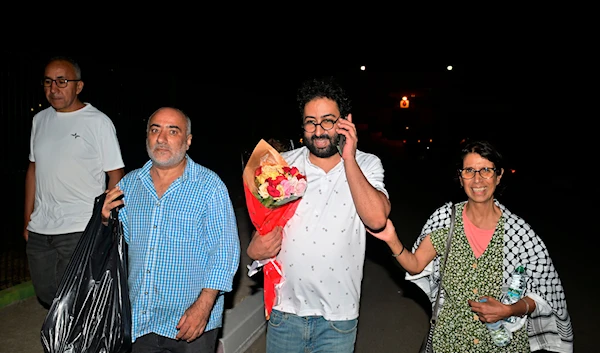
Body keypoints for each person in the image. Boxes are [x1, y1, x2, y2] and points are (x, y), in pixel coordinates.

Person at [368, 139, 573, 353]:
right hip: (450, 341)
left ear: (499, 175)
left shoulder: (520, 234)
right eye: (469, 171)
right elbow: (416, 265)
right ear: (460, 176)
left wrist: (509, 309)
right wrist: (391, 239)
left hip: (502, 345)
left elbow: (541, 296)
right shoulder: (445, 219)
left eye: (486, 170)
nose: (477, 179)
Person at [246, 76, 391, 353]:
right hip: (284, 310)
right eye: (311, 121)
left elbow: (376, 218)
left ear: (344, 122)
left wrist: (349, 158)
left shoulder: (367, 164)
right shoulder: (283, 165)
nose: (319, 130)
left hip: (338, 316)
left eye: (328, 120)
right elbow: (265, 225)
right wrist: (255, 250)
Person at [101, 107, 241, 352]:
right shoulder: (130, 184)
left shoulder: (209, 186)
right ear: (147, 137)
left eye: (172, 131)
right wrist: (104, 221)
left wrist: (204, 306)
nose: (162, 138)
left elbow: (225, 251)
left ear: (187, 141)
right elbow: (116, 245)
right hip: (140, 319)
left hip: (189, 320)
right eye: (155, 130)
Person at [24, 55, 125, 309]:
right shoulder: (40, 121)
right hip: (41, 228)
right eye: (48, 82)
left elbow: (116, 174)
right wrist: (27, 219)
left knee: (76, 300)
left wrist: (104, 222)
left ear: (78, 86)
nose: (53, 88)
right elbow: (33, 170)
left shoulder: (98, 122)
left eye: (62, 81)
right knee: (47, 294)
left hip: (80, 227)